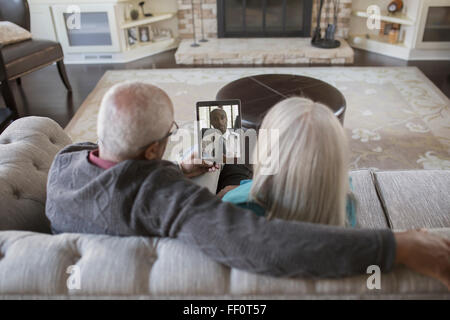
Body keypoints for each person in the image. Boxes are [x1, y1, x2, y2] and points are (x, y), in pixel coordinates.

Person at [45, 81, 450, 287]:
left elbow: (125, 175)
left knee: (232, 157)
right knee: (236, 160)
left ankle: (244, 157)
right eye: (170, 132)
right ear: (152, 151)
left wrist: (177, 167)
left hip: (165, 179)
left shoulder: (63, 163)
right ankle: (250, 157)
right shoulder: (168, 200)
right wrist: (397, 244)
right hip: (220, 191)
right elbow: (260, 240)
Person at [221, 97, 357, 227]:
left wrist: (226, 194)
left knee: (234, 163)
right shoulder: (346, 204)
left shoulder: (236, 205)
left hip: (245, 194)